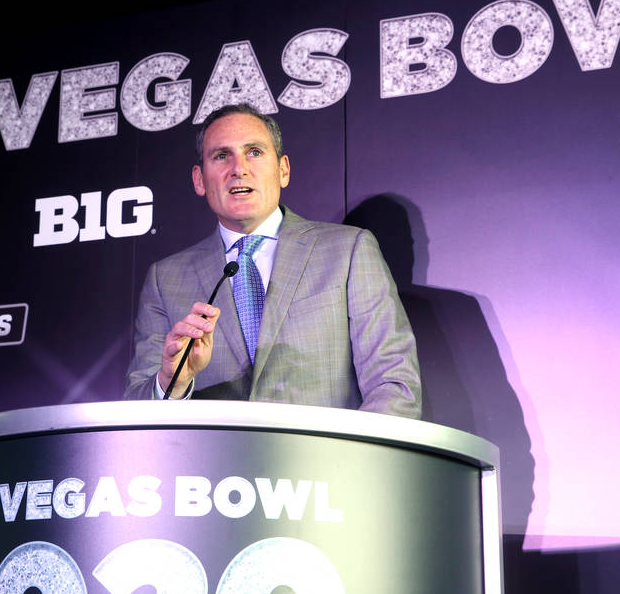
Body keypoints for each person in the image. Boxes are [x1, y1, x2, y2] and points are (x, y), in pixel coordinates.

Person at [124, 104, 422, 418]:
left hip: (327, 463)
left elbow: (393, 383)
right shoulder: (165, 279)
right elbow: (137, 406)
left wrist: (353, 463)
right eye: (221, 156)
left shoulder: (347, 251)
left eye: (254, 152)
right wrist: (172, 381)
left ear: (283, 170)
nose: (238, 168)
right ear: (199, 180)